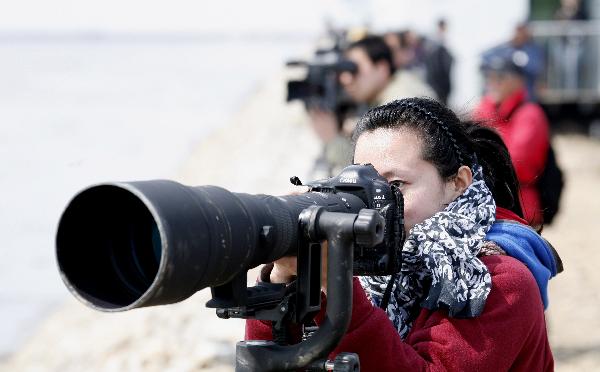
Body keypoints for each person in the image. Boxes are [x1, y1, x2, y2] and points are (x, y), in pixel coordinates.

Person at [247, 97, 561, 371]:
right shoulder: (370, 270)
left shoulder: (497, 284)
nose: (374, 206)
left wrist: (337, 283)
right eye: (362, 188)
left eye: (395, 186)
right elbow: (273, 362)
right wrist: (282, 281)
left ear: (457, 183)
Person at [311, 35, 435, 178]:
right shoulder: (396, 88)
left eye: (354, 69)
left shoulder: (401, 102)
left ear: (382, 68)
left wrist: (332, 139)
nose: (345, 79)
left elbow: (378, 173)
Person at [474, 50, 551, 227]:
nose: (492, 82)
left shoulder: (530, 114)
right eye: (488, 76)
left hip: (520, 209)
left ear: (519, 81)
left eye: (499, 77)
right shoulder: (484, 109)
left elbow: (518, 167)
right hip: (487, 206)